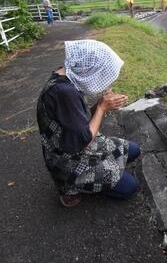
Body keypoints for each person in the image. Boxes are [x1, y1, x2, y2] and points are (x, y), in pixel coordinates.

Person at [36, 39, 140, 207]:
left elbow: (78, 120)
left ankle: (107, 170)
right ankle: (69, 186)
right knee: (130, 187)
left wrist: (101, 104)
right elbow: (83, 140)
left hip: (76, 141)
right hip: (69, 157)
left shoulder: (66, 77)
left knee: (134, 150)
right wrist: (101, 107)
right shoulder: (64, 92)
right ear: (89, 69)